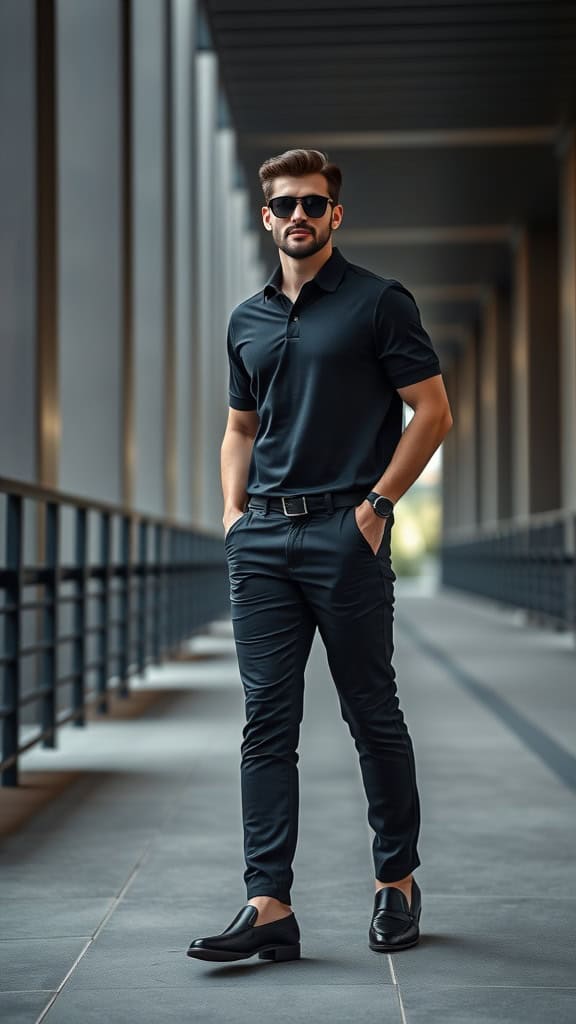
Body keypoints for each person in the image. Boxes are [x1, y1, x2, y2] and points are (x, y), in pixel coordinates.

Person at [187, 148, 453, 964]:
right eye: (283, 206)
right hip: (262, 540)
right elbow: (239, 428)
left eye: (313, 203)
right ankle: (268, 904)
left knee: (371, 713)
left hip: (346, 532)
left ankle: (396, 883)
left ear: (336, 214)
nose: (298, 216)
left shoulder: (379, 303)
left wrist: (376, 508)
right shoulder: (247, 320)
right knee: (267, 721)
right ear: (265, 217)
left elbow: (433, 412)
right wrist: (233, 514)